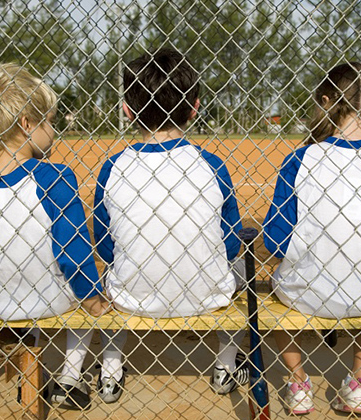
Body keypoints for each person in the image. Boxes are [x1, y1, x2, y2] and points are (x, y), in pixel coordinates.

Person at [0, 63, 109, 419]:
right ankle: (71, 378)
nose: (52, 130)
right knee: (86, 300)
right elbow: (72, 254)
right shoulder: (55, 176)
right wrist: (93, 298)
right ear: (26, 124)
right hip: (53, 300)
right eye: (48, 121)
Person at [92, 48, 247, 404]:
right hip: (207, 295)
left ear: (128, 111)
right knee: (241, 266)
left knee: (108, 270)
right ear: (194, 107)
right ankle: (225, 364)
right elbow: (231, 241)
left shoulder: (114, 167)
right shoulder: (211, 165)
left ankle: (111, 368)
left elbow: (104, 244)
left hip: (131, 295)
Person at [263, 62, 361, 415]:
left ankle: (299, 382)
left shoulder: (302, 158)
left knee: (274, 286)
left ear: (327, 101)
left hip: (309, 293)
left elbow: (275, 240)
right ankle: (359, 381)